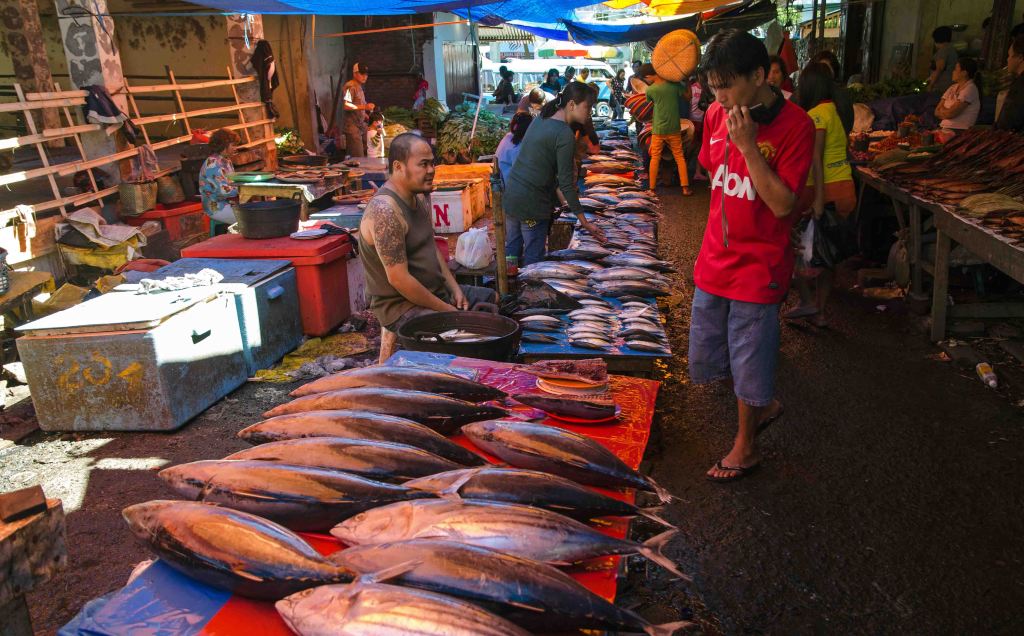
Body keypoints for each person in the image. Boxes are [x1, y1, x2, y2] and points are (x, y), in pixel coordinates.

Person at [688, 29, 814, 482]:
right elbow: (708, 164)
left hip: (759, 266)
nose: (718, 96)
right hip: (714, 257)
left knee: (749, 354)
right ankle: (762, 406)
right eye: (713, 86)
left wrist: (747, 146)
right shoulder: (721, 115)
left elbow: (783, 205)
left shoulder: (797, 126)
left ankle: (747, 447)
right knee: (711, 357)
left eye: (726, 85)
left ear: (760, 75)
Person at [358, 133, 497, 363]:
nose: (431, 169)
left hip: (435, 293)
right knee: (469, 336)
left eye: (432, 163)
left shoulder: (420, 197)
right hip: (401, 306)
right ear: (399, 166)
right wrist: (444, 309)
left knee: (492, 299)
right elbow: (399, 280)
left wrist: (454, 288)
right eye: (423, 164)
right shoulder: (385, 211)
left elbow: (429, 245)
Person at [502, 82, 607, 266]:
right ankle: (529, 293)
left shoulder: (541, 118)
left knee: (512, 252)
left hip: (512, 195)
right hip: (532, 205)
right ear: (572, 105)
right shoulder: (564, 134)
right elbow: (566, 183)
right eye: (587, 107)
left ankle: (508, 291)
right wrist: (584, 220)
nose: (589, 112)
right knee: (534, 260)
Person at [785, 62, 855, 328]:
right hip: (844, 188)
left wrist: (816, 200)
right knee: (828, 253)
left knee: (800, 248)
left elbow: (815, 157)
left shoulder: (816, 115)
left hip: (821, 190)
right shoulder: (837, 111)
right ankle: (820, 311)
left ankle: (806, 301)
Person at [643, 64, 692, 196]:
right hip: (674, 128)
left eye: (645, 79)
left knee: (655, 158)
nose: (646, 81)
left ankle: (652, 189)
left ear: (648, 76)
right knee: (679, 157)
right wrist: (687, 82)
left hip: (658, 129)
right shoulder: (674, 86)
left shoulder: (651, 90)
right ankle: (685, 188)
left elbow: (650, 105)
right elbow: (688, 97)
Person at [198, 128, 241, 225]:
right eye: (233, 145)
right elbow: (223, 191)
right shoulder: (213, 164)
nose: (235, 148)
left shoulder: (226, 160)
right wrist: (245, 187)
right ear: (223, 145)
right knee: (251, 218)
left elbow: (231, 181)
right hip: (216, 207)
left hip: (227, 203)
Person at [810, 50, 854, 134]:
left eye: (826, 69)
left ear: (834, 72)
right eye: (819, 68)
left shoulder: (841, 96)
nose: (822, 72)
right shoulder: (804, 91)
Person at [934, 57, 981, 132]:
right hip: (944, 128)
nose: (953, 72)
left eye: (955, 69)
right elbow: (936, 111)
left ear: (964, 73)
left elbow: (952, 113)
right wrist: (948, 111)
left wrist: (945, 111)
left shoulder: (970, 89)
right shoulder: (952, 88)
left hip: (959, 130)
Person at [343, 62, 375, 158]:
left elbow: (357, 104)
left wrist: (365, 114)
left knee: (370, 147)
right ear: (355, 74)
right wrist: (364, 107)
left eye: (366, 74)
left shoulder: (359, 86)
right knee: (358, 157)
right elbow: (347, 105)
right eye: (362, 74)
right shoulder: (350, 86)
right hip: (352, 127)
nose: (365, 76)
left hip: (361, 125)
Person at [495, 112, 533, 184]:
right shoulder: (518, 148)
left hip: (502, 178)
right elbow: (521, 173)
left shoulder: (508, 136)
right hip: (510, 185)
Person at [996, 34, 1024, 132]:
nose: (1008, 60)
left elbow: (1011, 118)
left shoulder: (1020, 85)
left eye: (1009, 56)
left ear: (1020, 58)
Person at [928, 26, 959, 94]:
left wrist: (930, 85)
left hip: (942, 86)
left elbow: (938, 69)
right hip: (950, 85)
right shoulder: (952, 49)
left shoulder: (943, 51)